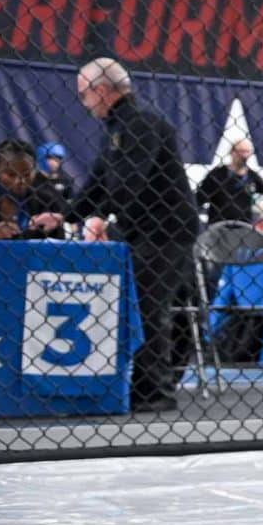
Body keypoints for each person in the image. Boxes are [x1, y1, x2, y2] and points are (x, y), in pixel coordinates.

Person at [71, 58, 199, 415]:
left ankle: (155, 391)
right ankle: (153, 384)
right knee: (147, 306)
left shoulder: (138, 121)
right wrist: (67, 215)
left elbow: (129, 181)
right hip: (147, 227)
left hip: (164, 229)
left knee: (149, 307)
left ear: (101, 90)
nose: (84, 103)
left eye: (84, 94)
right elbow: (100, 180)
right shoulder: (119, 124)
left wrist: (100, 217)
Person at [0, 139, 68, 241]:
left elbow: (60, 245)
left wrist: (50, 229)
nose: (20, 181)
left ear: (35, 170)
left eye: (27, 174)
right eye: (11, 174)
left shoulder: (47, 201)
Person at [197, 140, 263, 228]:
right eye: (241, 151)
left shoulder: (252, 177)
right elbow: (199, 198)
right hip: (218, 226)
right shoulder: (217, 174)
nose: (244, 156)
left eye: (247, 152)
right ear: (232, 152)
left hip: (244, 227)